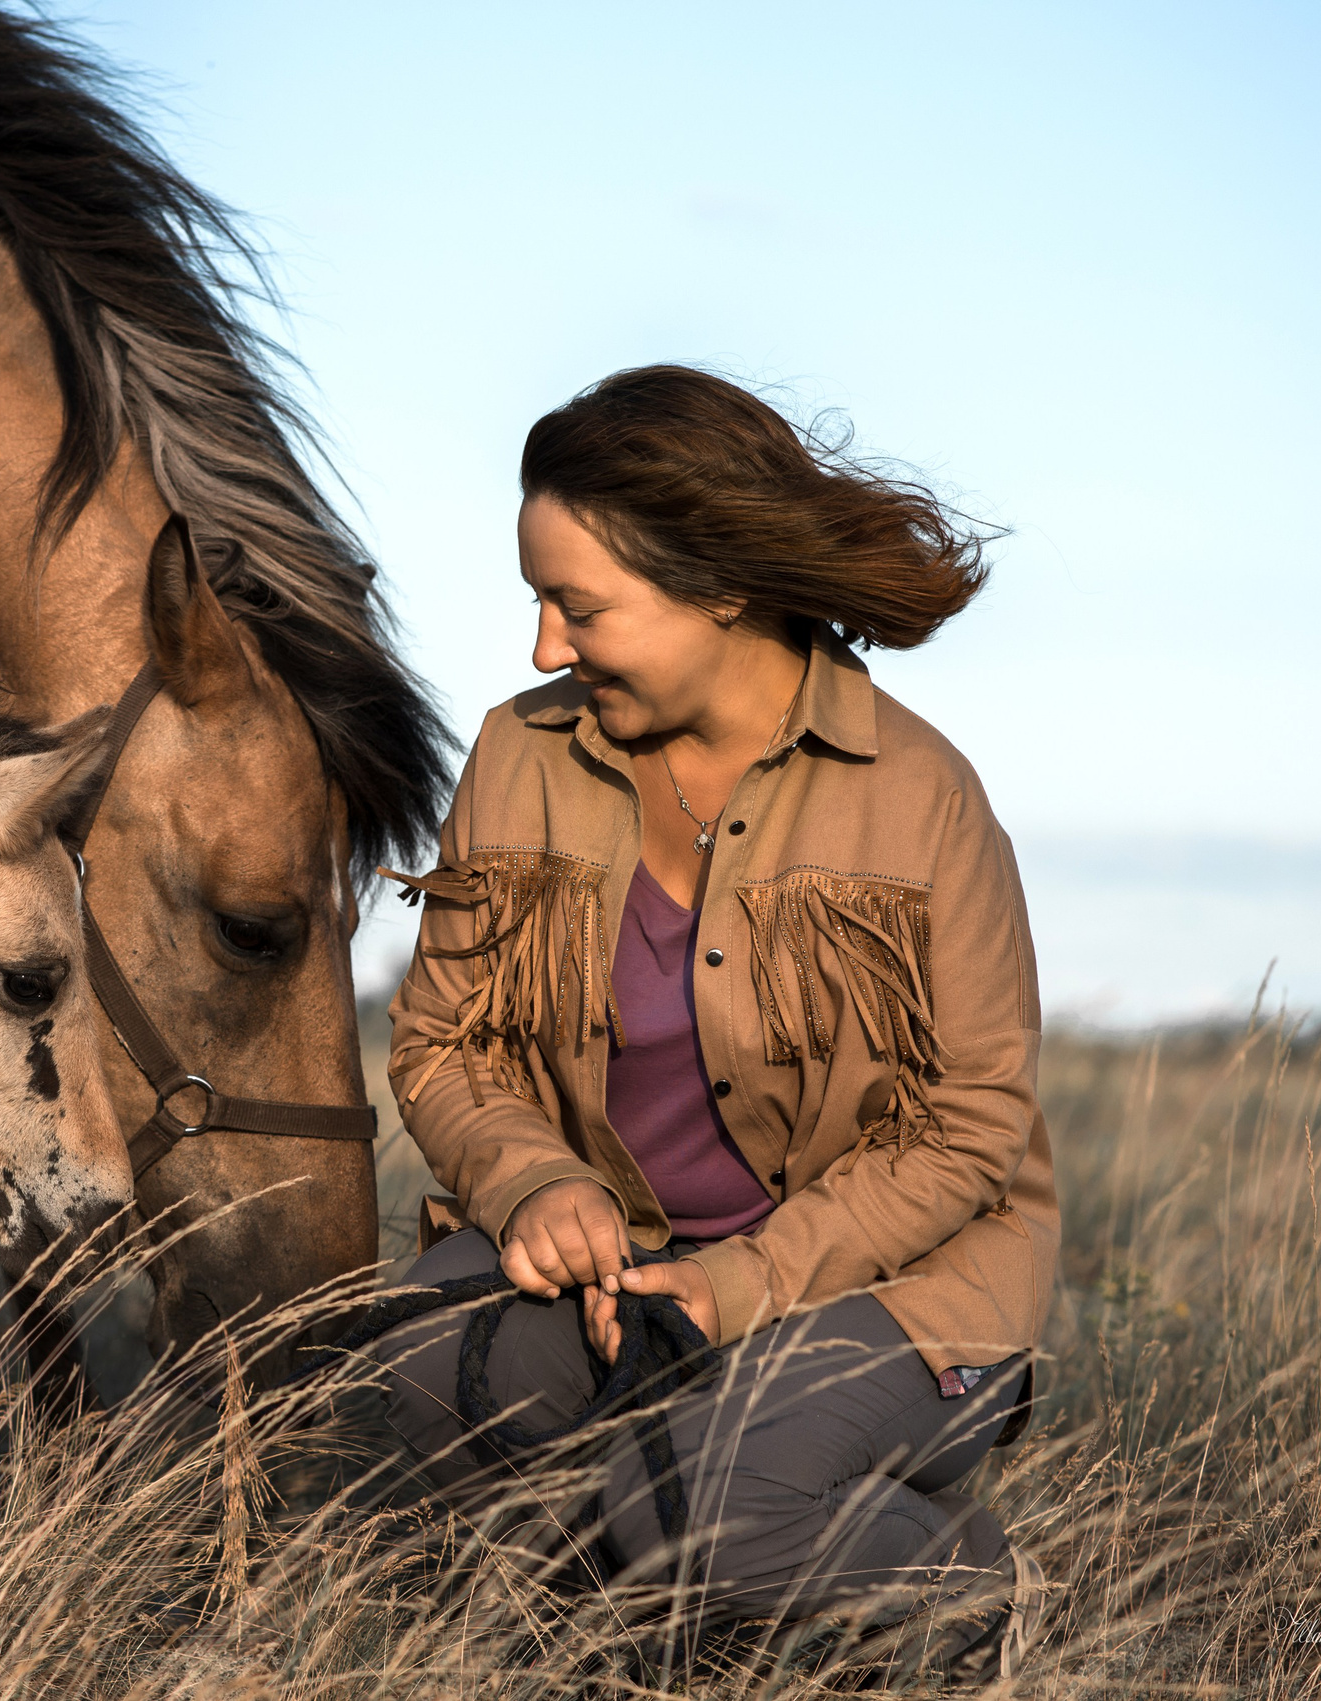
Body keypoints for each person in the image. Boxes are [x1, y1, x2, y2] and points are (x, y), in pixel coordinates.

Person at [373, 365, 1058, 1682]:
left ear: (722, 587)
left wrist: (742, 1283)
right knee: (421, 1362)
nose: (542, 648)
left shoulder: (922, 795)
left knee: (712, 1504)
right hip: (626, 1257)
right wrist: (532, 1178)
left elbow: (975, 1123)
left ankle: (970, 1588)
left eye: (580, 606)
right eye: (536, 602)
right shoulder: (517, 753)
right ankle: (649, 1642)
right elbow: (443, 1039)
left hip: (894, 1289)